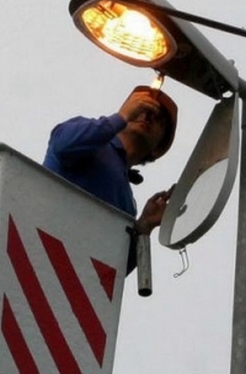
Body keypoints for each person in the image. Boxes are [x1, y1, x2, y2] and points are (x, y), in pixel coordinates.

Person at [43, 85, 178, 272]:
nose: (147, 115)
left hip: (68, 277)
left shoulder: (126, 203)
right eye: (142, 107)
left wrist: (145, 225)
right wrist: (120, 118)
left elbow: (114, 270)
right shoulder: (90, 138)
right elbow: (63, 145)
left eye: (158, 118)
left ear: (157, 149)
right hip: (37, 245)